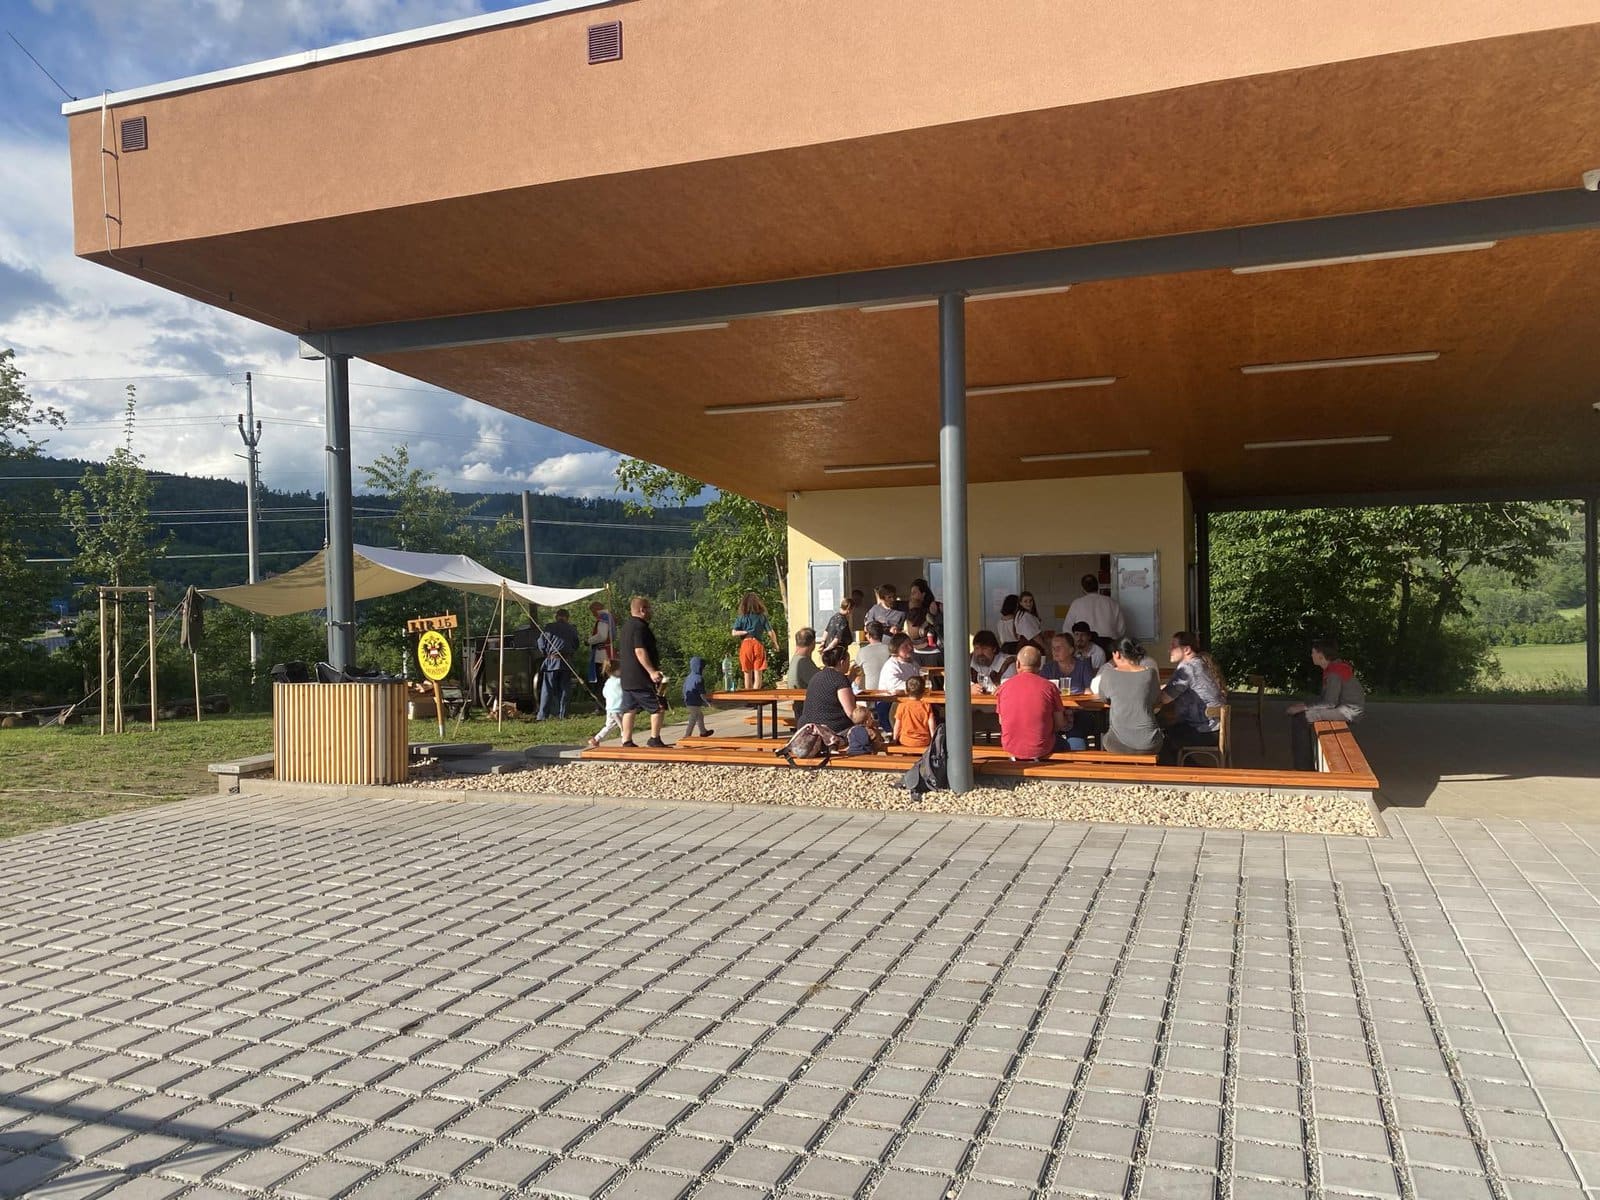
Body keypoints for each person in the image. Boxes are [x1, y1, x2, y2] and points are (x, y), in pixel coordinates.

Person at [1287, 638, 1367, 770]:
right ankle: (1303, 766)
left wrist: (1304, 707)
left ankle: (1303, 769)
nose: (1311, 655)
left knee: (1301, 718)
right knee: (1300, 715)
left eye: (1313, 652)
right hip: (1341, 707)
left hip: (1348, 711)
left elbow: (1329, 702)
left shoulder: (1334, 672)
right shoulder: (1333, 668)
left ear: (1321, 655)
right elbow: (1325, 698)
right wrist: (1305, 704)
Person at [1158, 631, 1226, 765]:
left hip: (1203, 730)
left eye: (1173, 646)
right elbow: (1179, 687)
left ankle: (1188, 771)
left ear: (1187, 650)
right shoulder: (1200, 663)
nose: (1169, 650)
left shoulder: (1187, 668)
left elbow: (1164, 699)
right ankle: (1191, 768)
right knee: (1166, 731)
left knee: (1158, 738)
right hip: (1215, 728)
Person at [996, 645, 1075, 760]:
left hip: (1011, 746)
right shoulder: (1049, 687)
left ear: (1018, 664)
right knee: (1065, 745)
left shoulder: (1004, 687)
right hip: (1041, 748)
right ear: (1040, 665)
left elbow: (1001, 721)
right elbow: (1059, 723)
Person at [1096, 638, 1164, 755]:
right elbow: (1155, 700)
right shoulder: (1150, 673)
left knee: (1106, 738)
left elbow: (1104, 699)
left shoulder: (1108, 674)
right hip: (1149, 742)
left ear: (1117, 654)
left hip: (1118, 744)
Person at [618, 595, 669, 748]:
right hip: (641, 678)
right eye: (649, 608)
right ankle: (654, 739)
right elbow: (639, 651)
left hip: (627, 677)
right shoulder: (640, 627)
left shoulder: (626, 627)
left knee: (630, 709)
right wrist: (652, 671)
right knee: (658, 707)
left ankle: (626, 740)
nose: (651, 611)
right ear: (642, 610)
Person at [798, 644, 868, 740]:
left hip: (807, 728)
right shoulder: (840, 679)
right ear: (842, 662)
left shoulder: (816, 676)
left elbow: (831, 689)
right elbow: (851, 713)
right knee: (867, 734)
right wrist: (868, 720)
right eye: (848, 661)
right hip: (831, 730)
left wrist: (850, 679)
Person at [535, 607, 581, 721]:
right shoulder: (572, 629)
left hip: (552, 661)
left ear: (556, 617)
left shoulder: (549, 627)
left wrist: (546, 653)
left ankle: (543, 715)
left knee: (547, 689)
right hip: (566, 662)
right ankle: (563, 714)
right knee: (565, 688)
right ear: (567, 618)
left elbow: (541, 643)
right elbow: (576, 644)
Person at [731, 592, 781, 689]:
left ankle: (749, 695)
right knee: (758, 673)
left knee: (747, 673)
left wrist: (745, 632)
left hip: (746, 644)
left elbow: (734, 632)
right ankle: (756, 694)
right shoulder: (762, 616)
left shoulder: (742, 617)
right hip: (758, 644)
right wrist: (775, 643)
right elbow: (771, 632)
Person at [1062, 574, 1127, 641]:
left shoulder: (1076, 603)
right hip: (1108, 643)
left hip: (1085, 644)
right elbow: (1121, 629)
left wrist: (1077, 641)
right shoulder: (1112, 603)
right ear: (1098, 586)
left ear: (1083, 588)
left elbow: (1067, 629)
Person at [586, 660, 625, 749]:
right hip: (619, 708)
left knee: (609, 726)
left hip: (610, 709)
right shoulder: (620, 681)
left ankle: (596, 739)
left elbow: (604, 693)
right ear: (616, 670)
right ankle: (625, 741)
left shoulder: (608, 682)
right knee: (624, 726)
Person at [893, 675, 937, 749]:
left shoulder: (902, 706)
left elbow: (897, 725)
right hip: (924, 741)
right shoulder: (926, 706)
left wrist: (894, 739)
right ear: (924, 692)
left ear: (906, 691)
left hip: (906, 740)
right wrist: (933, 738)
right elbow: (931, 724)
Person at [785, 627, 819, 721]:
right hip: (807, 709)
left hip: (799, 706)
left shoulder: (796, 659)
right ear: (813, 643)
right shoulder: (803, 662)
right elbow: (822, 682)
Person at [682, 656, 714, 738]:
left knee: (699, 715)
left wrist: (684, 698)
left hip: (688, 701)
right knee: (693, 718)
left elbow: (684, 689)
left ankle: (703, 732)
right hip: (695, 702)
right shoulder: (699, 678)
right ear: (700, 668)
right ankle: (687, 736)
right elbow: (702, 693)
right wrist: (707, 702)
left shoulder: (688, 677)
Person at [855, 620, 892, 691]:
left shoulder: (862, 651)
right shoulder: (890, 650)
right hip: (888, 691)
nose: (865, 635)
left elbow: (855, 672)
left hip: (869, 692)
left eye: (865, 633)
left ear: (869, 635)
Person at [586, 601, 615, 686]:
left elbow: (602, 636)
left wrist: (589, 641)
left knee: (601, 677)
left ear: (596, 609)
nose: (593, 614)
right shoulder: (610, 617)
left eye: (593, 611)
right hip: (608, 649)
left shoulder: (603, 617)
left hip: (602, 651)